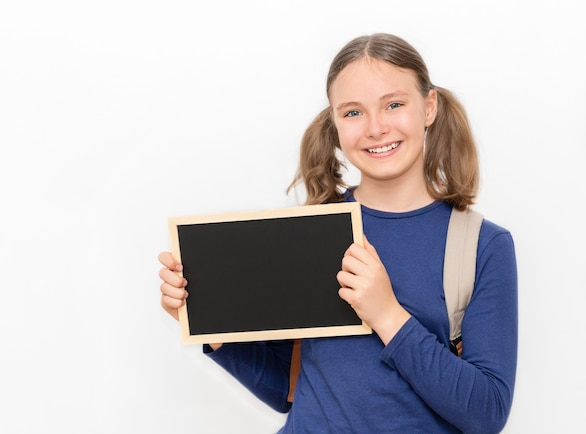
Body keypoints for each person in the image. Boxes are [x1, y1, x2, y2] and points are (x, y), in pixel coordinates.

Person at [158, 33, 518, 433]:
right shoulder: (308, 231)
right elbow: (288, 389)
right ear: (334, 121)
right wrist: (208, 322)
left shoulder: (482, 246)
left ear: (429, 106)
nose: (376, 128)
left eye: (394, 104)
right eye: (353, 113)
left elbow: (486, 413)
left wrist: (386, 314)